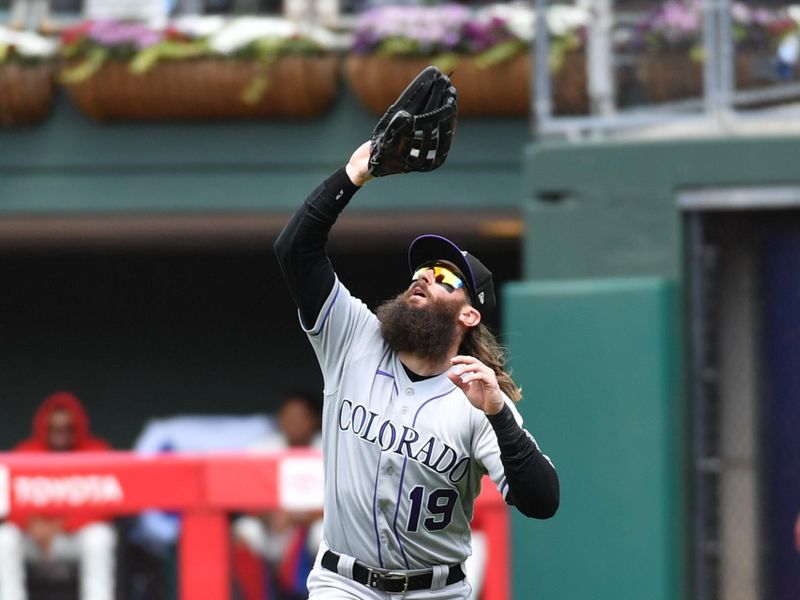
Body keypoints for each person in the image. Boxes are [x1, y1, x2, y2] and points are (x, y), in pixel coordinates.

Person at [273, 140, 560, 599]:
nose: (423, 276)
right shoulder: (354, 339)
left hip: (437, 590)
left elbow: (542, 501)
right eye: (422, 270)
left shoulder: (478, 398)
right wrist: (352, 175)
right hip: (344, 583)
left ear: (469, 315)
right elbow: (296, 250)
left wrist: (499, 416)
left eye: (445, 278)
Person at [0, 391, 116, 600]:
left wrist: (64, 524)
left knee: (99, 537)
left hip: (72, 540)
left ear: (77, 428)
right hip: (34, 541)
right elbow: (5, 504)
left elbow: (109, 505)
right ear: (44, 427)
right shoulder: (25, 453)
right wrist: (31, 523)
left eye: (67, 429)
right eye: (54, 428)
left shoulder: (96, 452)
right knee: (4, 537)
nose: (60, 434)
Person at [233, 392, 324, 600]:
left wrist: (298, 517)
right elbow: (243, 496)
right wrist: (267, 515)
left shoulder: (329, 447)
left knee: (322, 535)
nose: (294, 424)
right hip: (273, 526)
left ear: (314, 419)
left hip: (312, 527)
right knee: (245, 531)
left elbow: (344, 502)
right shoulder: (262, 450)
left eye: (301, 417)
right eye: (288, 417)